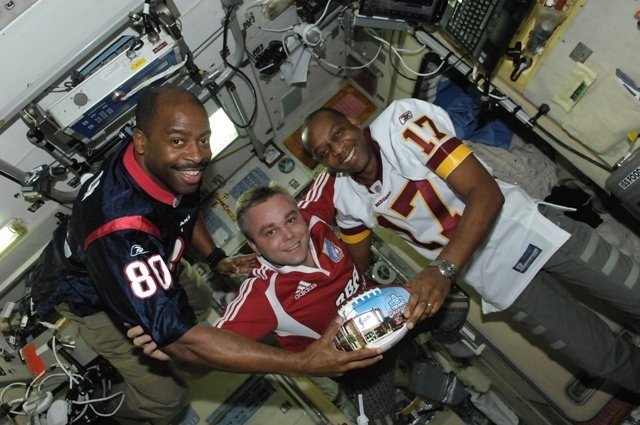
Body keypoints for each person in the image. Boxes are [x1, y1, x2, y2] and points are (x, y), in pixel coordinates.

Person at [31, 85, 382, 424]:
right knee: (167, 398)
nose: (198, 155)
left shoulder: (165, 159)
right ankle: (87, 406)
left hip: (160, 255)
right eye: (179, 141)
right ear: (140, 142)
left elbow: (185, 204)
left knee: (198, 301)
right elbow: (192, 357)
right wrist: (303, 363)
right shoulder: (120, 232)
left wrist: (215, 259)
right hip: (87, 294)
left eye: (203, 139)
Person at [299, 98, 640, 396]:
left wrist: (442, 269)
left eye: (338, 134)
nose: (338, 150)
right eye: (324, 152)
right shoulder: (345, 198)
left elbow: (485, 193)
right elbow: (354, 269)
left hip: (528, 231)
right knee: (603, 360)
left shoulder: (401, 124)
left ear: (354, 122)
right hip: (497, 279)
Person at [130, 183, 469, 424]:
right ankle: (407, 378)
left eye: (290, 220)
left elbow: (337, 164)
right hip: (359, 365)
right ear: (254, 246)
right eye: (270, 232)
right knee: (378, 420)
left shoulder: (314, 219)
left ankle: (440, 345)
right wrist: (174, 349)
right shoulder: (263, 296)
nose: (289, 235)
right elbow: (205, 357)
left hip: (395, 312)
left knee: (455, 304)